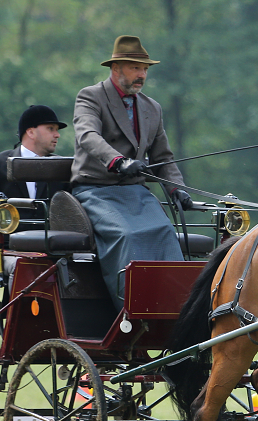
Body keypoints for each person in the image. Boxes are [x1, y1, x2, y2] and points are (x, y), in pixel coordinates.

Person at [71, 35, 193, 309]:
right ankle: (131, 309)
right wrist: (118, 161)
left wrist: (177, 188)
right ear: (116, 68)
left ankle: (174, 310)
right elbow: (88, 135)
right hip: (96, 191)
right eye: (136, 68)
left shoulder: (152, 108)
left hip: (135, 194)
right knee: (127, 235)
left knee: (164, 231)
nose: (142, 75)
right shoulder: (90, 97)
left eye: (145, 69)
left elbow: (163, 157)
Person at [0, 104, 69, 275]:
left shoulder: (62, 167)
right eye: (51, 128)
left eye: (56, 130)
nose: (57, 134)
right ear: (30, 132)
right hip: (4, 252)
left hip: (50, 253)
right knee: (23, 268)